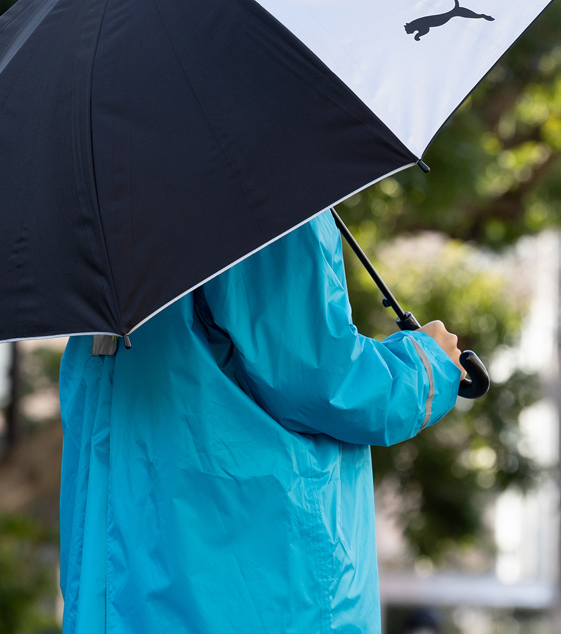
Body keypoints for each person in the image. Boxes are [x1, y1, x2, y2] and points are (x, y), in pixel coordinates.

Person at [59, 210, 463, 633]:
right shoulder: (249, 186)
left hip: (132, 578)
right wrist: (426, 364)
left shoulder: (107, 204)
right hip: (253, 578)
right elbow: (321, 376)